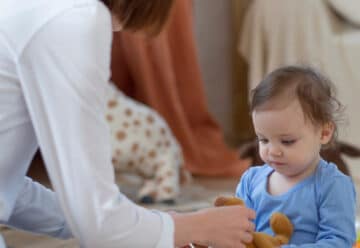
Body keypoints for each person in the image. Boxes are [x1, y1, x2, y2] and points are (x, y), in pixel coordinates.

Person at [0, 0, 256, 248]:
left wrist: (161, 226)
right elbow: (100, 229)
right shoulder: (73, 17)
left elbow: (9, 189)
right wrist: (196, 227)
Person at [236, 65, 356, 247]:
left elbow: (338, 242)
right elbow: (237, 231)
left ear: (324, 132)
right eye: (263, 139)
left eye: (287, 141)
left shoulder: (332, 185)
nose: (272, 151)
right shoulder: (251, 180)